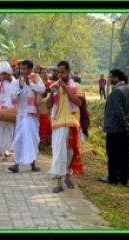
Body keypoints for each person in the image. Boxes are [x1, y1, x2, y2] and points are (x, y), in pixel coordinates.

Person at [48, 60, 84, 193]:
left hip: (72, 123)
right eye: (58, 72)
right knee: (58, 153)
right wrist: (51, 92)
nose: (60, 74)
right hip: (57, 123)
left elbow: (78, 102)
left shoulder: (77, 86)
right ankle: (58, 182)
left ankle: (67, 176)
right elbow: (48, 105)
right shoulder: (55, 86)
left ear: (68, 71)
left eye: (62, 72)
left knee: (70, 152)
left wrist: (65, 88)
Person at [7, 60, 45, 173]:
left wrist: (30, 84)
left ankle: (33, 165)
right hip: (21, 115)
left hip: (32, 115)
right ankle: (16, 164)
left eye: (24, 69)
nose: (22, 71)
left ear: (30, 69)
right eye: (21, 69)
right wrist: (20, 87)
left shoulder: (36, 79)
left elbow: (42, 89)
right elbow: (13, 97)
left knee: (32, 140)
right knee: (19, 139)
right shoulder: (16, 82)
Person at [98, 69, 129, 187]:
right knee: (124, 154)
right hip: (126, 128)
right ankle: (124, 178)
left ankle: (112, 178)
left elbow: (118, 111)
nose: (109, 79)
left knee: (113, 153)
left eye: (111, 77)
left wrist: (124, 124)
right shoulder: (128, 89)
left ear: (117, 78)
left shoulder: (116, 91)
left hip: (115, 129)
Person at [0, 61, 17, 161]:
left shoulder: (15, 82)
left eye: (2, 74)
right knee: (0, 129)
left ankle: (7, 150)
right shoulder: (0, 83)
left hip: (11, 107)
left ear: (7, 74)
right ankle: (1, 149)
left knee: (10, 129)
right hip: (1, 107)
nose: (0, 76)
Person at [39, 67, 53, 145]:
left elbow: (50, 95)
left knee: (49, 121)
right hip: (41, 106)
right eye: (43, 73)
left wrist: (46, 100)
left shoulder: (52, 83)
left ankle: (49, 141)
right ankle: (42, 141)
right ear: (40, 75)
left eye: (46, 72)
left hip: (50, 105)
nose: (45, 74)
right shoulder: (38, 84)